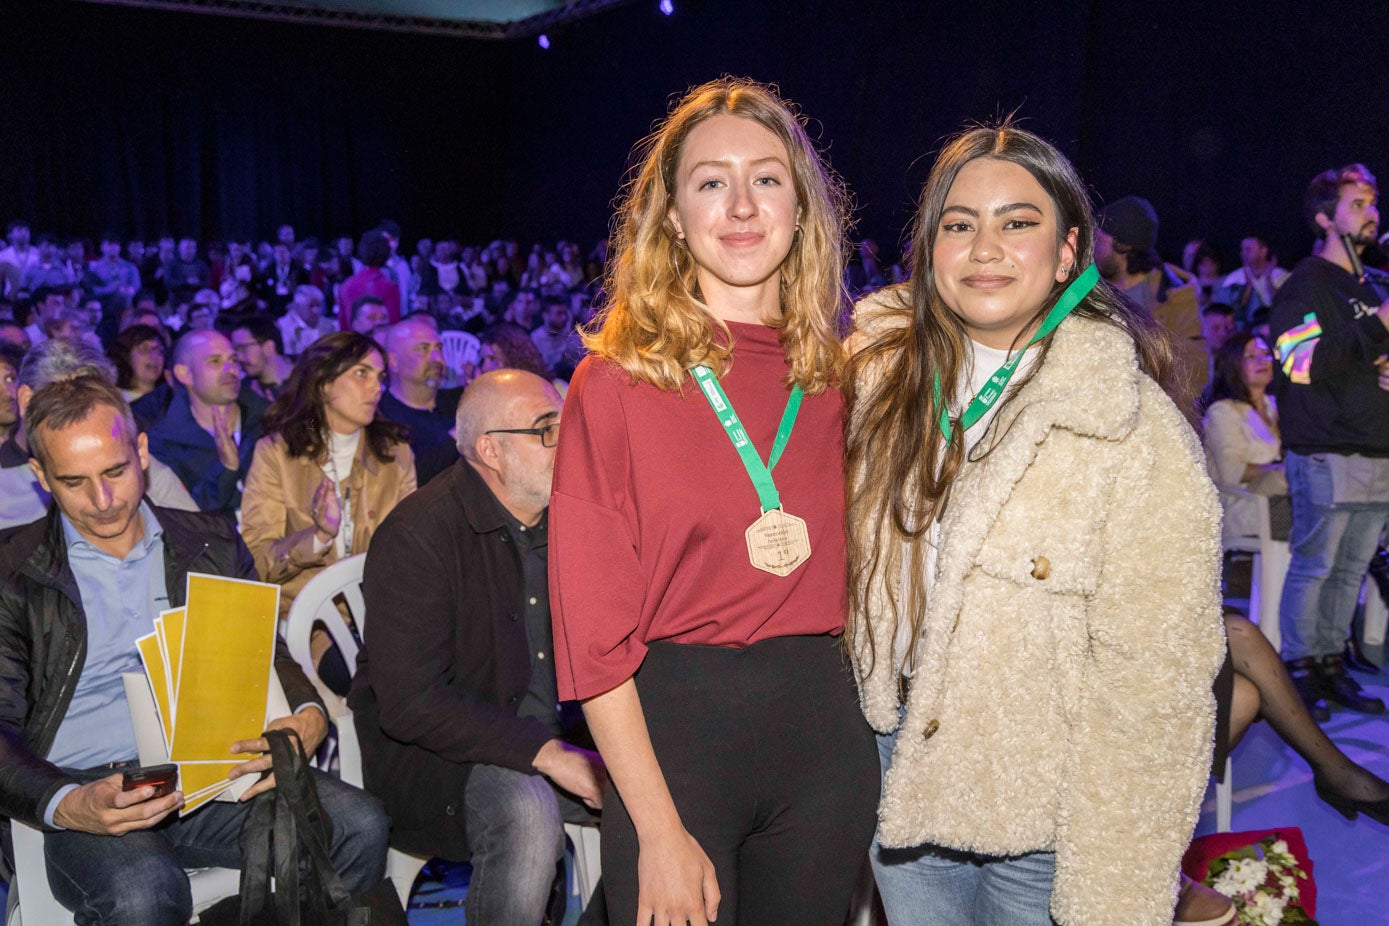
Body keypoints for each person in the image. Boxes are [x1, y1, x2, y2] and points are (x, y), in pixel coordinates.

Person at [845, 124, 1225, 925]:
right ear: (929, 250)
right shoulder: (874, 392)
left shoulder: (1133, 432)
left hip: (1045, 811)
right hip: (894, 772)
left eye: (1017, 222)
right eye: (958, 224)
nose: (985, 246)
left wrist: (1116, 892)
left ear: (1067, 253)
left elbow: (1157, 694)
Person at [550, 78, 879, 926]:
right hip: (674, 745)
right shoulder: (615, 383)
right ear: (669, 214)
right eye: (709, 181)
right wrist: (656, 828)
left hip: (824, 742)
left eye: (766, 178)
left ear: (802, 207)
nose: (740, 205)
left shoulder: (843, 378)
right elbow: (591, 640)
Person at [0, 376, 389, 925]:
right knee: (144, 892)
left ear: (141, 451)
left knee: (361, 823)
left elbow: (267, 651)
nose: (104, 500)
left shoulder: (208, 541)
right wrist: (67, 802)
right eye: (74, 482)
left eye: (115, 471)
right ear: (41, 477)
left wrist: (307, 714)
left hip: (209, 771)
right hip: (89, 783)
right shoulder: (13, 573)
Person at [350, 369, 606, 926]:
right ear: (490, 450)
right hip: (445, 756)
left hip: (560, 731)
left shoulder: (574, 518)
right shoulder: (420, 535)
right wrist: (549, 753)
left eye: (566, 424)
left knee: (678, 778)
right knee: (526, 807)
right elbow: (411, 702)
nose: (566, 442)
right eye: (546, 430)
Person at [1269, 163, 1389, 717]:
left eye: (1373, 202)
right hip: (1324, 445)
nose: (1373, 212)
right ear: (1325, 218)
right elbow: (1297, 363)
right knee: (1316, 564)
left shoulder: (1369, 287)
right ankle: (1297, 670)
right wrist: (1378, 327)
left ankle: (1330, 664)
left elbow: (1365, 358)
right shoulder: (1307, 282)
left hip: (1375, 446)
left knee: (1350, 567)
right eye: (1358, 203)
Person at [240, 332, 415, 686]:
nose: (376, 387)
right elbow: (257, 560)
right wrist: (318, 536)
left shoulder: (396, 454)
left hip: (386, 617)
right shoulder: (277, 454)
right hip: (313, 624)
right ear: (322, 383)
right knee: (384, 679)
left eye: (380, 377)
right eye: (361, 374)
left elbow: (416, 551)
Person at [1094, 195, 1206, 420]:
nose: (1092, 245)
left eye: (1099, 238)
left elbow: (1195, 372)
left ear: (1123, 245)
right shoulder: (1088, 291)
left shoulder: (1173, 298)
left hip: (1151, 423)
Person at [146, 329, 268, 515]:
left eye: (233, 360)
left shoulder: (269, 417)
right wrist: (225, 469)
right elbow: (184, 517)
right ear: (184, 374)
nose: (231, 370)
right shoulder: (162, 442)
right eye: (215, 361)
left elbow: (311, 427)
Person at [1202, 332, 1288, 541]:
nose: (1262, 361)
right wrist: (1282, 469)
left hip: (1285, 501)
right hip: (1247, 502)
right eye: (1251, 356)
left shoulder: (1277, 406)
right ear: (1233, 363)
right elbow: (1231, 472)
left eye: (1266, 354)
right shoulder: (1223, 412)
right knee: (1286, 478)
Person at [377, 316, 463, 486]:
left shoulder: (458, 403)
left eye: (439, 348)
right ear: (393, 362)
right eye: (423, 349)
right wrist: (459, 434)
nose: (437, 359)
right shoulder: (380, 417)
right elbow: (406, 479)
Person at [1219, 235, 1289, 328]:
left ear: (1263, 251)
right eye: (1242, 250)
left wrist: (1268, 280)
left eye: (1248, 249)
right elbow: (1228, 311)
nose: (1243, 253)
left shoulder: (1280, 274)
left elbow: (1284, 303)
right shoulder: (1234, 278)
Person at [338, 230, 401, 331]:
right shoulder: (388, 286)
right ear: (386, 252)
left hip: (352, 343)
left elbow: (343, 325)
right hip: (378, 344)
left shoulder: (346, 284)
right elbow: (393, 325)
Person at [228, 315, 294, 401]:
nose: (239, 357)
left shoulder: (308, 373)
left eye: (243, 348)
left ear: (269, 346)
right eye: (236, 350)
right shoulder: (244, 394)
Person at [110, 323, 167, 403]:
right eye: (144, 349)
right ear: (127, 356)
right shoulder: (115, 401)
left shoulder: (170, 399)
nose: (154, 356)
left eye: (159, 350)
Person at [276, 284, 335, 358]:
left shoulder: (330, 325)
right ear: (297, 306)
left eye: (318, 306)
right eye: (311, 306)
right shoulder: (282, 327)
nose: (316, 311)